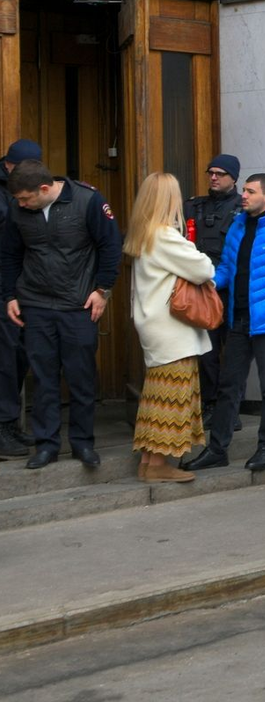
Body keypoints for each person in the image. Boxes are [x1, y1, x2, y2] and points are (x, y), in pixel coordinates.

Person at [182, 174, 265, 473]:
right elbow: (227, 267)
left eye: (251, 191)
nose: (244, 195)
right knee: (229, 387)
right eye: (245, 190)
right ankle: (218, 450)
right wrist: (210, 282)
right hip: (237, 321)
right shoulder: (238, 226)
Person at [1, 159, 121, 469]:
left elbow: (110, 246)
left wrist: (102, 290)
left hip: (78, 306)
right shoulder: (19, 210)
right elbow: (10, 253)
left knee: (81, 378)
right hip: (36, 305)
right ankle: (46, 445)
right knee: (43, 379)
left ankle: (83, 444)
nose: (21, 204)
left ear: (44, 189)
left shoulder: (88, 201)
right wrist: (10, 295)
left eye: (26, 199)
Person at [125, 172, 216, 483]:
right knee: (172, 399)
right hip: (172, 328)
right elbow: (204, 268)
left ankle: (150, 463)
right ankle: (160, 466)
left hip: (154, 325)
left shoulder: (143, 233)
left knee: (157, 397)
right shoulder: (164, 235)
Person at [185, 153, 243, 427]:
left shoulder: (243, 210)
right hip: (202, 289)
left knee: (234, 353)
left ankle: (231, 409)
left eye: (220, 173)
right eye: (211, 172)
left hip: (232, 291)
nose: (214, 177)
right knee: (206, 351)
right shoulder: (195, 207)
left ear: (234, 178)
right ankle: (210, 404)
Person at [0, 138, 41, 458]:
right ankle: (4, 426)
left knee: (18, 356)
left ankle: (11, 424)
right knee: (6, 358)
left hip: (24, 285)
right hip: (5, 286)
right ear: (9, 165)